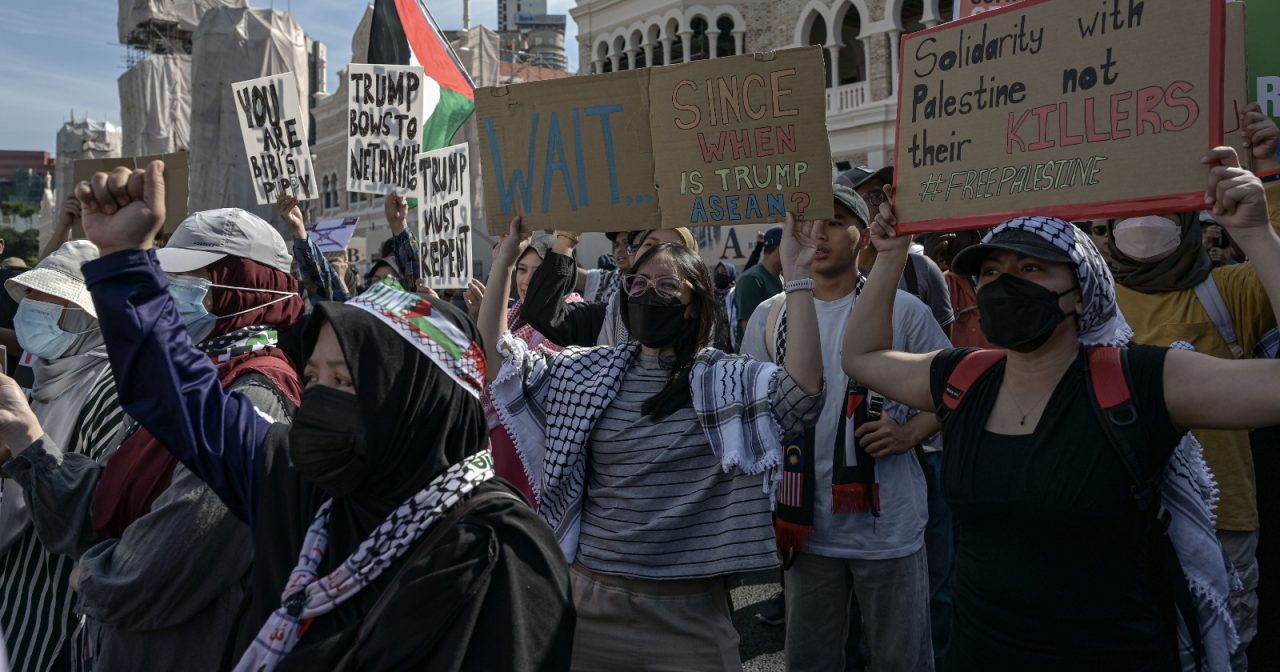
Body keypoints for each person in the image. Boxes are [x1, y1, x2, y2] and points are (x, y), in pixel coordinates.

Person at [21, 160, 576, 671]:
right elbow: (181, 399)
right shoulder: (301, 485)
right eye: (313, 378)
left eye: (345, 381)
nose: (320, 400)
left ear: (417, 400)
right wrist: (124, 261)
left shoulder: (499, 551)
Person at [842, 146, 1280, 670]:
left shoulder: (1143, 380)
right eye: (993, 271)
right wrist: (890, 256)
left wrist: (1257, 234)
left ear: (1081, 291)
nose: (1005, 285)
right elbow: (861, 356)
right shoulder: (964, 376)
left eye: (1030, 268)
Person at [481, 213, 824, 670]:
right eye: (637, 286)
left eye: (665, 287)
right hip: (591, 608)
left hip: (690, 616)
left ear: (692, 304)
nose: (647, 295)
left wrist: (798, 279)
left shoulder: (724, 378)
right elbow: (498, 362)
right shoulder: (589, 372)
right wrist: (504, 259)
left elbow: (801, 395)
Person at [4, 206, 305, 671]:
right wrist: (31, 449)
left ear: (241, 289)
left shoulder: (256, 396)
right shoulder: (189, 381)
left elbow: (169, 559)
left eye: (189, 277)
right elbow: (103, 501)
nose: (168, 291)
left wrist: (96, 577)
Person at [741, 183, 947, 672]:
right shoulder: (771, 316)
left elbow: (957, 393)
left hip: (888, 525)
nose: (818, 231)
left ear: (864, 236)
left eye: (835, 220)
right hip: (805, 526)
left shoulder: (903, 311)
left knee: (903, 659)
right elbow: (750, 414)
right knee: (811, 660)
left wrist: (912, 432)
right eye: (809, 219)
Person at [0, 241, 127, 671]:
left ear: (87, 319)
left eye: (47, 300)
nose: (31, 308)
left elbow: (97, 512)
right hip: (15, 592)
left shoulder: (113, 394)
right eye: (30, 297)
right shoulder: (42, 377)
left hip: (54, 614)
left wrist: (26, 447)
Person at [520, 228, 699, 348]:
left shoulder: (707, 369)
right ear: (635, 255)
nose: (660, 253)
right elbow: (542, 312)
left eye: (673, 247)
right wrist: (565, 239)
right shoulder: (602, 320)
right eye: (650, 245)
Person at [279, 193, 355, 305]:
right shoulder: (301, 285)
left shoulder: (346, 277)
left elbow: (345, 315)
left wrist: (340, 280)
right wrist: (299, 231)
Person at [733, 225, 783, 346]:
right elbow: (751, 335)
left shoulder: (782, 278)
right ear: (781, 248)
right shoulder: (751, 279)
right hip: (759, 361)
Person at [714, 261, 739, 352]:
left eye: (724, 273)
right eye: (718, 272)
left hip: (734, 342)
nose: (720, 275)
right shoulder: (711, 296)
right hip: (716, 344)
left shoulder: (736, 293)